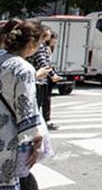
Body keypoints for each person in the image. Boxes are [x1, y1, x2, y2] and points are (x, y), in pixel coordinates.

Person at [1, 20, 50, 190]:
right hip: (6, 136)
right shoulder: (24, 68)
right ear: (31, 43)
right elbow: (26, 110)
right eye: (39, 43)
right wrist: (37, 144)